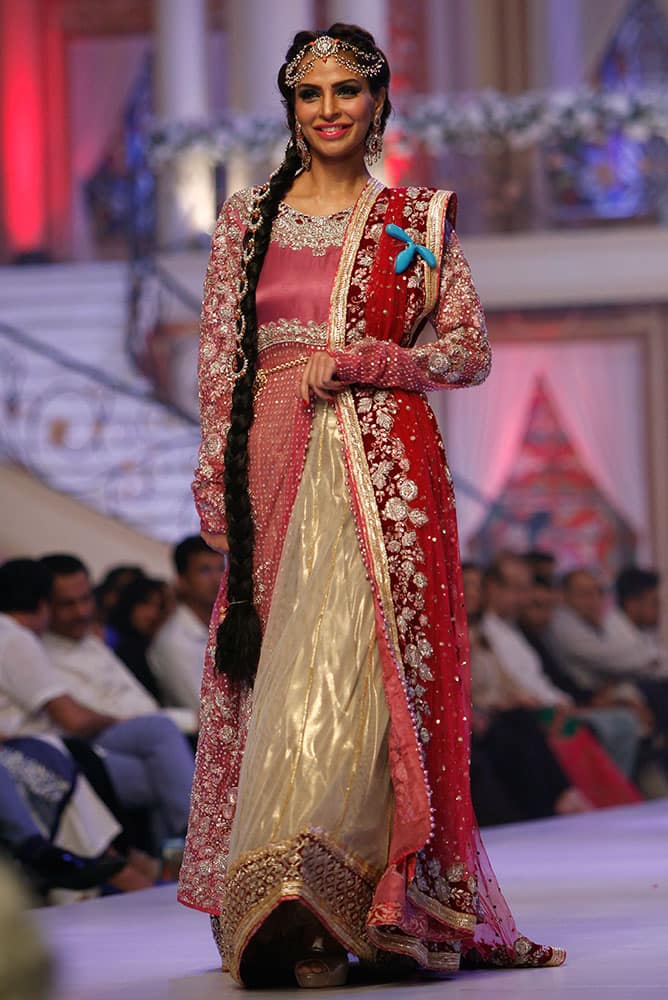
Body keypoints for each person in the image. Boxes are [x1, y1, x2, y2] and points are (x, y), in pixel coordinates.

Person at [178, 24, 565, 987]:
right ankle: (285, 902)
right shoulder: (244, 223)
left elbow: (466, 352)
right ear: (290, 111)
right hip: (272, 463)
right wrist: (210, 479)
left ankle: (368, 901)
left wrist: (366, 361)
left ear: (379, 102)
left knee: (363, 674)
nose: (328, 111)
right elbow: (222, 364)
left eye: (347, 91)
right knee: (284, 676)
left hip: (385, 470)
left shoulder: (416, 220)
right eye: (309, 95)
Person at [0, 555, 195, 855]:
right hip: (68, 751)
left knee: (164, 767)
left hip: (113, 743)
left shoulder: (89, 639)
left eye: (86, 599)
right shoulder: (25, 642)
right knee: (165, 743)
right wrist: (120, 722)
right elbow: (74, 720)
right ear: (44, 604)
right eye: (67, 604)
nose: (82, 611)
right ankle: (199, 845)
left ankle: (178, 860)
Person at [149, 536, 225, 712]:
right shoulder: (174, 641)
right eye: (205, 571)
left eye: (221, 568)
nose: (217, 580)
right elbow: (206, 710)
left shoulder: (225, 623)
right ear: (181, 581)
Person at [108, 577, 169, 701]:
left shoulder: (150, 645)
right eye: (145, 604)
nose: (153, 614)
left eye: (159, 607)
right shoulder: (117, 645)